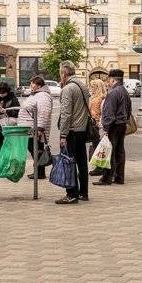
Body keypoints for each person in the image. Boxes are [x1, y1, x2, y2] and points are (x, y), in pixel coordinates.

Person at [56, 61, 90, 204]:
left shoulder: (68, 88)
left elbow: (66, 114)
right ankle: (83, 193)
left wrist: (63, 135)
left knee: (69, 162)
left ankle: (72, 194)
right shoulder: (83, 86)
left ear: (64, 74)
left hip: (71, 130)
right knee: (82, 162)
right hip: (82, 129)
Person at [93, 69, 131, 186]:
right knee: (119, 151)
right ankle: (119, 176)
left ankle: (106, 177)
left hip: (113, 125)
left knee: (109, 150)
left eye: (109, 80)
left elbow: (109, 113)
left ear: (113, 79)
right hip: (122, 124)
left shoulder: (113, 92)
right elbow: (129, 109)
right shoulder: (124, 91)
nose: (108, 82)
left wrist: (106, 128)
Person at [18, 76, 53, 180]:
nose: (31, 85)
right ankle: (38, 171)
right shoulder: (36, 94)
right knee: (34, 149)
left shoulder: (43, 96)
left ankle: (40, 172)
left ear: (39, 85)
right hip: (30, 127)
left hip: (35, 128)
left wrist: (40, 128)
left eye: (33, 83)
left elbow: (44, 112)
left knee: (36, 149)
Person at [88, 79, 107, 177]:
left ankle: (99, 168)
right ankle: (100, 167)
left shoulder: (96, 99)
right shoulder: (102, 97)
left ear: (97, 88)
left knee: (97, 147)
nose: (91, 89)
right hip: (101, 125)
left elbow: (95, 115)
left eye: (92, 87)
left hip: (96, 126)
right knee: (100, 147)